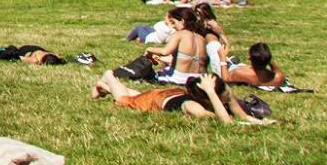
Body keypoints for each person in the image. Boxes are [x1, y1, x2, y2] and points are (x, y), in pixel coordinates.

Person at [91, 70, 271, 124]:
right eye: (223, 97)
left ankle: (105, 87)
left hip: (172, 93)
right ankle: (108, 78)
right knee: (125, 100)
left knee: (137, 94)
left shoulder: (224, 93)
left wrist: (262, 123)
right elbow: (226, 123)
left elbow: (243, 117)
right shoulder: (193, 107)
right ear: (207, 97)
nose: (227, 99)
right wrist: (210, 92)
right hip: (157, 100)